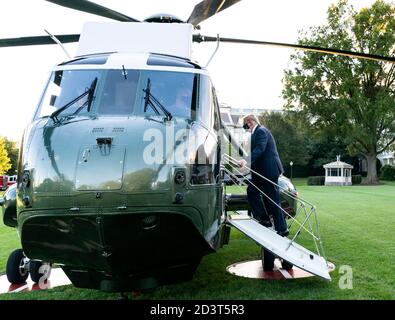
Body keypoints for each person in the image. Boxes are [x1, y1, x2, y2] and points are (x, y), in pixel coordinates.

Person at [238, 114, 288, 237]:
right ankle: (264, 219)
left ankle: (282, 229)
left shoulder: (261, 131)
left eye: (245, 125)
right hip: (261, 172)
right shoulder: (255, 134)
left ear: (250, 122)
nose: (245, 129)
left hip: (269, 170)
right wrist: (244, 160)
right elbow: (254, 152)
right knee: (252, 191)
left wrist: (247, 161)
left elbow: (260, 149)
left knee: (272, 199)